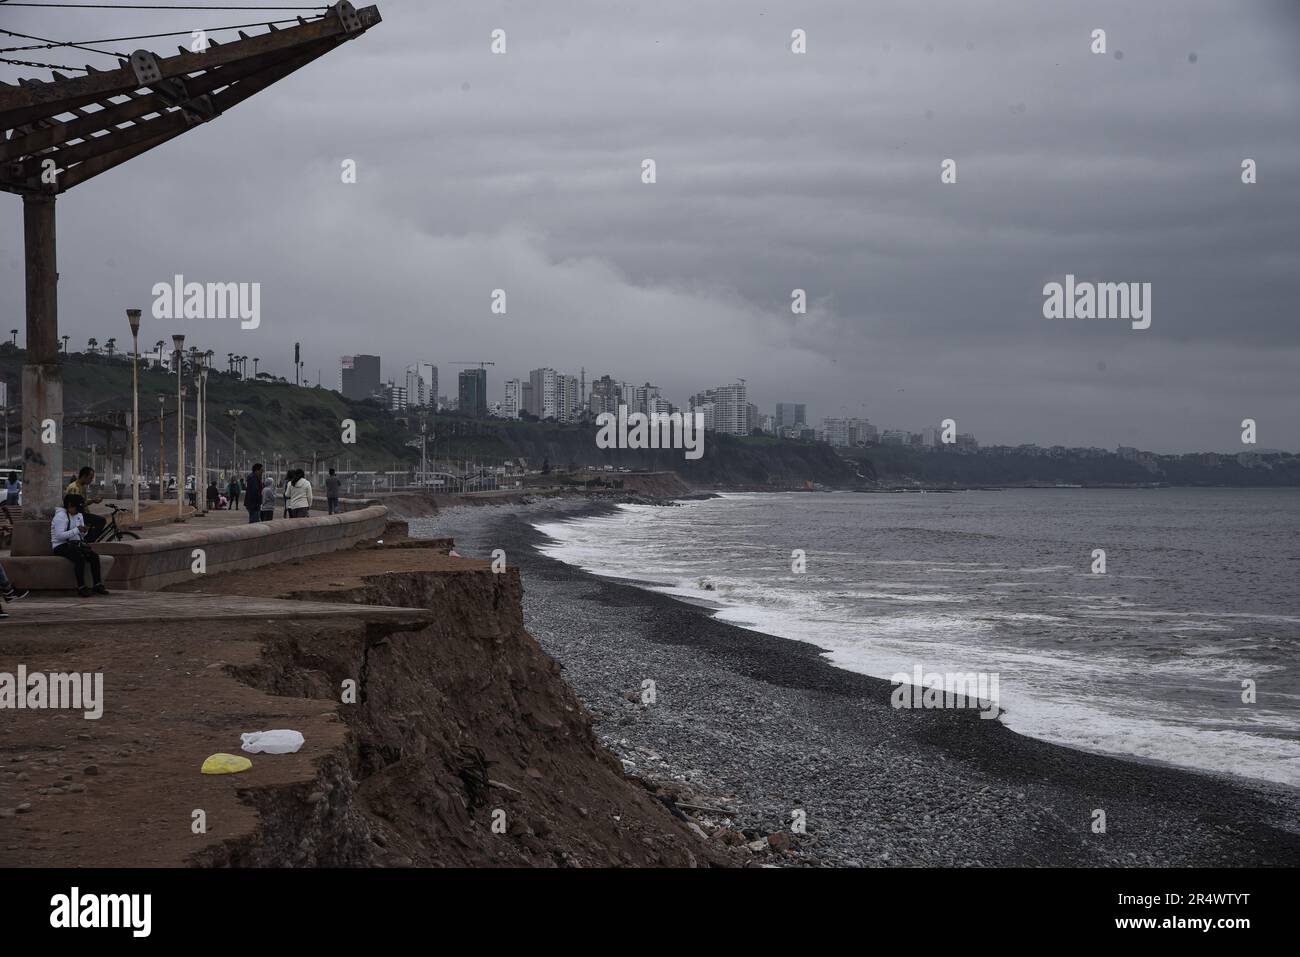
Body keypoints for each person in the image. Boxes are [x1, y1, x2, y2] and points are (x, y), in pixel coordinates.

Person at [51, 494, 109, 596]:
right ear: (69, 505)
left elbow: (80, 534)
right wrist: (76, 530)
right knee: (79, 558)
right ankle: (81, 586)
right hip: (60, 545)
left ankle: (97, 584)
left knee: (94, 557)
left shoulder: (79, 515)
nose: (78, 511)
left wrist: (84, 531)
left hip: (75, 544)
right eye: (76, 508)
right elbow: (59, 536)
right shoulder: (60, 516)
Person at [66, 467, 107, 542]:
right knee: (101, 521)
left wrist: (92, 501)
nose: (91, 480)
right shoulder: (74, 488)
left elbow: (83, 502)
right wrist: (93, 501)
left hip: (82, 513)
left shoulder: (82, 487)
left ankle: (87, 539)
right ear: (84, 476)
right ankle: (87, 542)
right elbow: (77, 505)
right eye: (90, 478)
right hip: (75, 515)